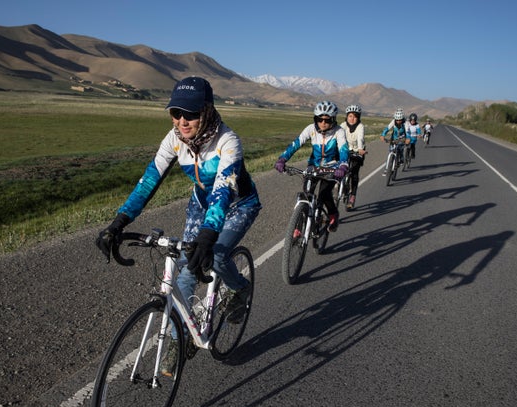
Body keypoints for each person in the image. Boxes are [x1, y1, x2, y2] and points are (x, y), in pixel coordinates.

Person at [96, 76, 262, 376]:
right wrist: (119, 221)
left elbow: (224, 192)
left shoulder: (228, 141)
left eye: (191, 114)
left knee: (218, 255)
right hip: (200, 204)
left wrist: (208, 236)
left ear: (207, 111)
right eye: (176, 113)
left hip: (238, 204)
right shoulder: (174, 139)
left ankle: (239, 289)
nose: (182, 121)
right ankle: (178, 338)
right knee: (184, 267)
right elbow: (149, 181)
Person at [275, 101, 349, 232]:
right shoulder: (311, 129)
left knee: (324, 194)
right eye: (319, 119)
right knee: (306, 194)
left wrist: (343, 165)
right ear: (315, 119)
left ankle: (333, 214)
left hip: (332, 167)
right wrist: (282, 158)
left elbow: (343, 149)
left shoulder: (339, 131)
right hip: (313, 166)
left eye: (327, 120)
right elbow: (296, 144)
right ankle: (298, 226)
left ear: (333, 119)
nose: (323, 123)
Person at [339, 104, 366, 209]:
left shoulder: (360, 126)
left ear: (358, 117)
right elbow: (337, 136)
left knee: (354, 172)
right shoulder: (343, 125)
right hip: (345, 151)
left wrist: (360, 149)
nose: (352, 118)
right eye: (350, 116)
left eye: (355, 116)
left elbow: (360, 138)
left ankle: (352, 196)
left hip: (357, 151)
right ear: (347, 116)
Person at [380, 108, 410, 175]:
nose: (398, 121)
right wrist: (383, 135)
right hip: (394, 138)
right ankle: (387, 169)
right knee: (391, 152)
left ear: (402, 119)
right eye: (397, 120)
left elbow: (407, 132)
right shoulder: (393, 122)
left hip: (403, 138)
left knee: (401, 149)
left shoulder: (406, 123)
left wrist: (408, 139)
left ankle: (402, 160)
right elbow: (387, 128)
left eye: (400, 120)